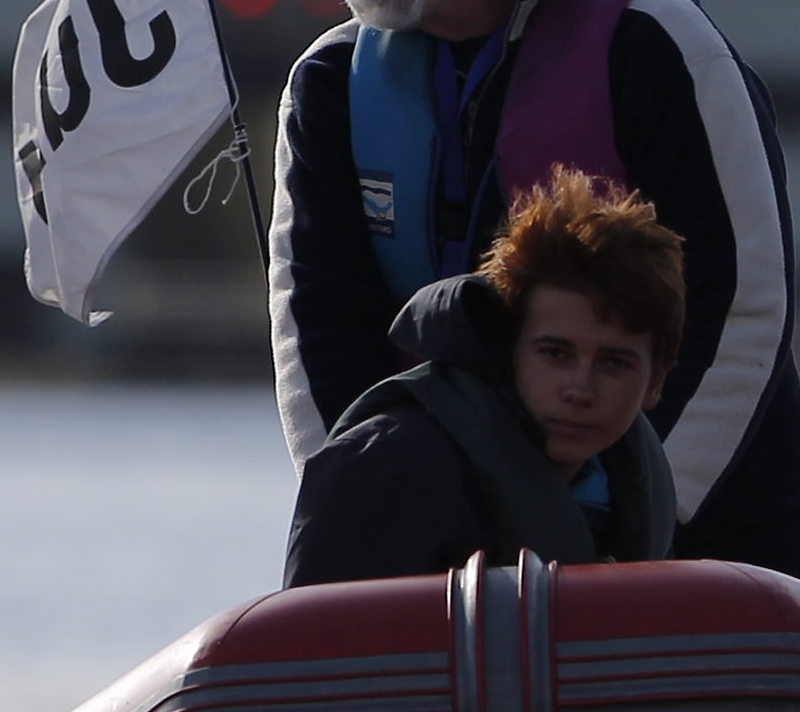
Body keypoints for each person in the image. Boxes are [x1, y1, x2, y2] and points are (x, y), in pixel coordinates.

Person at [270, 0, 800, 580]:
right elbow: (315, 327)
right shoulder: (328, 85)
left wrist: (641, 516)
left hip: (706, 540)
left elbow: (743, 302)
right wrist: (364, 501)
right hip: (435, 543)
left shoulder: (657, 45)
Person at [286, 170, 683, 584]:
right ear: (508, 351)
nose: (579, 389)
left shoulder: (639, 487)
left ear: (656, 380)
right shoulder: (383, 469)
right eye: (555, 354)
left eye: (614, 363)